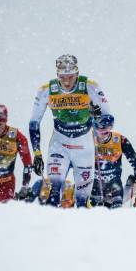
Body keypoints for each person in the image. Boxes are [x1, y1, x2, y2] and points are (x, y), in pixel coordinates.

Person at [29, 54, 111, 207]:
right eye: (62, 77)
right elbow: (34, 123)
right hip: (59, 143)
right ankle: (48, 229)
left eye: (71, 77)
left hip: (84, 145)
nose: (66, 82)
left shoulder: (90, 86)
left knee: (81, 200)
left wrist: (99, 118)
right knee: (54, 193)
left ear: (77, 74)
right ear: (57, 75)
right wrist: (37, 153)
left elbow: (109, 119)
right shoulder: (46, 90)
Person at [91, 114, 136, 208]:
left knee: (116, 214)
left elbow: (135, 161)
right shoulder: (89, 138)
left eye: (105, 132)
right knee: (94, 216)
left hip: (114, 186)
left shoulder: (119, 140)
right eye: (98, 131)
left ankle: (128, 187)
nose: (101, 135)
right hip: (95, 186)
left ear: (110, 129)